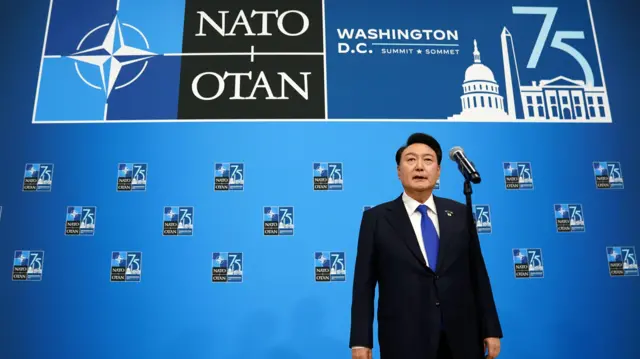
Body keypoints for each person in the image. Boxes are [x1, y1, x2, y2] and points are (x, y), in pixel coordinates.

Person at [349, 133, 503, 359]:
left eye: (428, 160)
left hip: (462, 336)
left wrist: (490, 328)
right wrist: (361, 340)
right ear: (399, 172)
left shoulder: (460, 213)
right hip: (404, 338)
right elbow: (363, 284)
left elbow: (477, 273)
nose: (419, 167)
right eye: (411, 160)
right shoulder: (377, 218)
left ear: (438, 171)